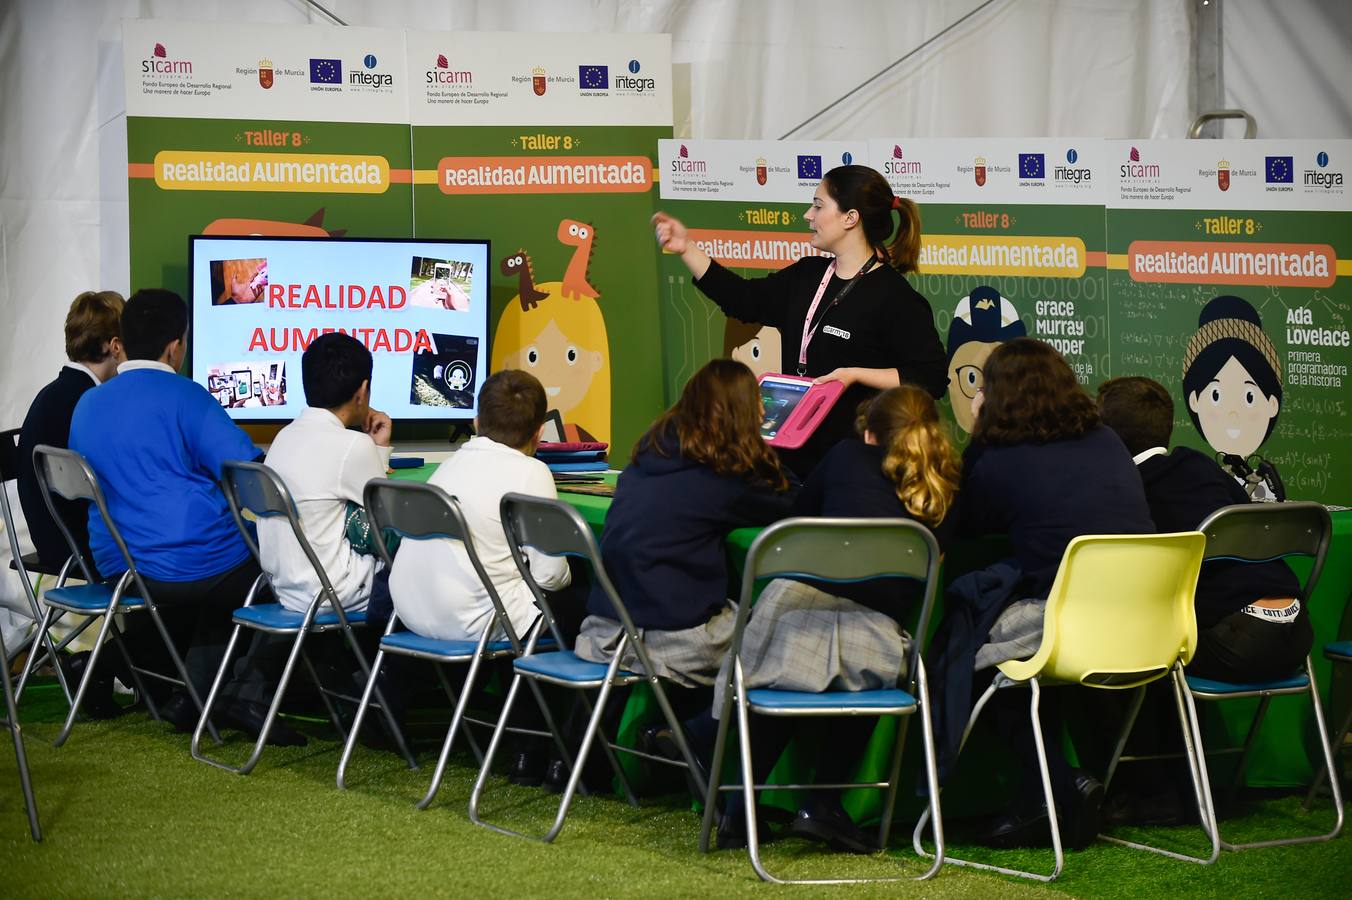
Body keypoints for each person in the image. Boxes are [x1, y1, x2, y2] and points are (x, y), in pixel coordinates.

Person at [677, 384, 960, 852]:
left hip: (789, 611)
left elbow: (797, 525)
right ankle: (822, 799)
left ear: (870, 434)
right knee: (860, 666)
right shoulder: (947, 483)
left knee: (783, 670)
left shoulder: (846, 456)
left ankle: (734, 803)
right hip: (874, 633)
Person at [931, 337, 1154, 850]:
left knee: (981, 655)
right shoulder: (1107, 440)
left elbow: (963, 525)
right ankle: (1041, 798)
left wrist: (977, 442)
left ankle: (1058, 784)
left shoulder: (999, 459)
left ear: (996, 395)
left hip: (1067, 623)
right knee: (1017, 644)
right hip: (1146, 627)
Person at [67, 289, 274, 736]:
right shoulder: (187, 397)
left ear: (122, 339)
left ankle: (192, 696)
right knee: (272, 569)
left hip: (116, 564)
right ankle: (240, 694)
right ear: (175, 345)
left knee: (226, 581)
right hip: (191, 561)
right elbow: (251, 476)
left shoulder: (89, 403)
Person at [652, 164, 947, 476]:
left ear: (850, 218)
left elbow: (930, 378)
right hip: (791, 455)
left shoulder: (894, 297)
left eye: (819, 206)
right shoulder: (807, 275)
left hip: (852, 461)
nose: (808, 215)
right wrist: (686, 249)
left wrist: (854, 375)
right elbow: (743, 300)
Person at [575, 359, 796, 688]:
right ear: (744, 414)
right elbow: (791, 503)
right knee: (774, 636)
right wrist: (765, 446)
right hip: (674, 642)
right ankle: (699, 734)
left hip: (603, 632)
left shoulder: (645, 457)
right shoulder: (725, 479)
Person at [1097, 376, 1307, 681]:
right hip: (1298, 634)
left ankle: (1154, 731)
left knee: (1129, 642)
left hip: (1234, 643)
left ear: (1107, 437)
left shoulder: (1129, 492)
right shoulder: (1200, 465)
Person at [389, 369, 571, 645]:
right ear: (540, 433)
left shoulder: (448, 467)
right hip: (476, 621)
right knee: (581, 601)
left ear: (476, 423)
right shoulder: (532, 472)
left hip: (409, 612)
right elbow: (550, 576)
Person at [17, 290, 125, 572]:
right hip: (83, 548)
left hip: (52, 542)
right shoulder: (91, 403)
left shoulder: (51, 395)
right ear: (115, 346)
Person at [1181, 295, 1284, 500]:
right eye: (1216, 395)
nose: (1233, 413)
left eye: (1249, 397)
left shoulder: (1265, 484)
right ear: (1194, 401)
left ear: (1272, 403)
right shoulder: (1199, 482)